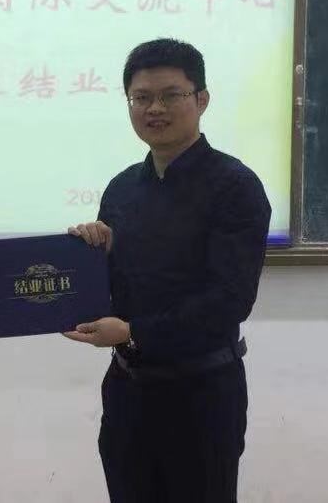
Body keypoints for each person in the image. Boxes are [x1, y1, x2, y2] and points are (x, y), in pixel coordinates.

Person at [66, 38, 271, 503]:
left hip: (202, 395)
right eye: (141, 98)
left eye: (170, 95)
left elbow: (230, 301)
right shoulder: (121, 189)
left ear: (201, 99)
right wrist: (93, 255)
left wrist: (132, 331)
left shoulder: (235, 186)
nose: (154, 108)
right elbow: (114, 290)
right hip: (127, 392)